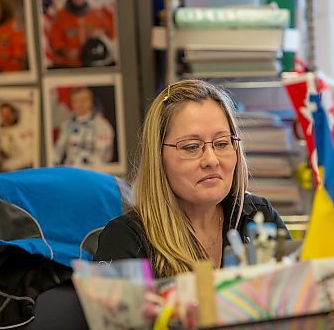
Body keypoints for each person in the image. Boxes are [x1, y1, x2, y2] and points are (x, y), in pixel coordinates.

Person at [95, 79, 290, 278]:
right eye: (191, 147)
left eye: (222, 143)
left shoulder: (258, 217)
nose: (211, 160)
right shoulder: (126, 240)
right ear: (158, 158)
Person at [47, 0, 115, 68]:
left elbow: (113, 31)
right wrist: (66, 52)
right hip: (69, 65)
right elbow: (54, 41)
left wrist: (102, 30)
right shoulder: (60, 16)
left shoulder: (95, 14)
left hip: (91, 64)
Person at [53, 86, 114, 166]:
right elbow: (58, 150)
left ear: (91, 101)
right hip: (71, 170)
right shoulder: (66, 124)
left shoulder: (102, 125)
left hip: (93, 170)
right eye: (76, 101)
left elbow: (104, 156)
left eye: (83, 100)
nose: (80, 104)